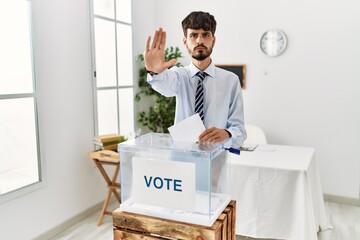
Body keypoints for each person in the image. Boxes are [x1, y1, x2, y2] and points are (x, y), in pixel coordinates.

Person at [144, 11, 246, 148]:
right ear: (185, 42)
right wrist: (154, 71)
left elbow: (240, 130)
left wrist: (227, 133)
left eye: (205, 34)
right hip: (184, 159)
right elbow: (164, 84)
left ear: (213, 40)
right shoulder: (178, 76)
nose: (199, 40)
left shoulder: (231, 81)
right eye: (193, 35)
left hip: (217, 158)